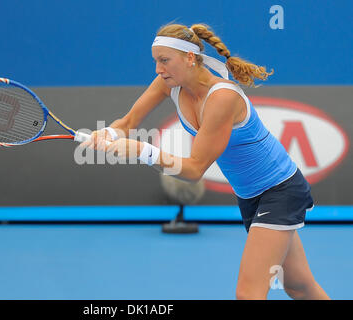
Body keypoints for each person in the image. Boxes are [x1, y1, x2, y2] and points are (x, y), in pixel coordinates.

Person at [80, 23, 330, 300]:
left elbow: (194, 169)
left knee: (249, 294)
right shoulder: (168, 84)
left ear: (189, 58)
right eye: (155, 61)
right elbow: (128, 122)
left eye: (165, 60)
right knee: (298, 286)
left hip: (280, 191)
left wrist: (141, 151)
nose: (158, 69)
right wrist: (108, 133)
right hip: (250, 196)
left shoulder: (222, 97)